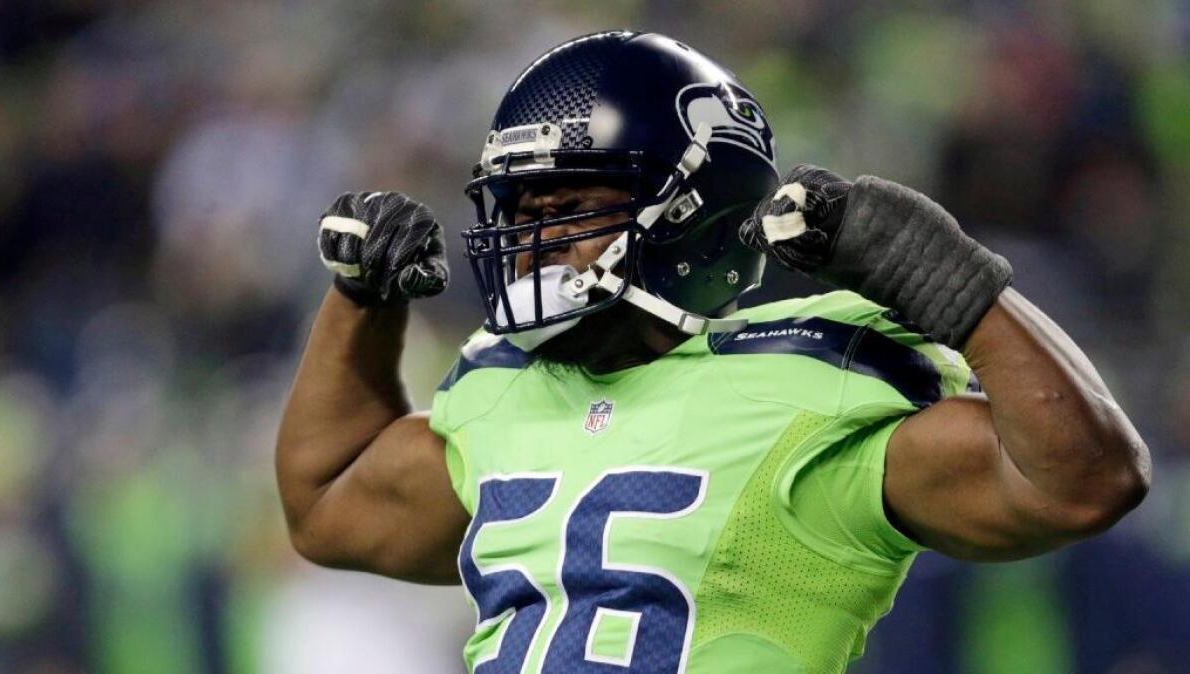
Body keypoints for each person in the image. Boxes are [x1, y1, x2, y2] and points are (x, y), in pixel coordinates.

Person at [276, 31, 1150, 673]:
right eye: (524, 212)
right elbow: (323, 507)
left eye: (571, 206)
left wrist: (948, 280)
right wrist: (362, 304)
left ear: (691, 211)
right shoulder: (502, 387)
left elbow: (1084, 481)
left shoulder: (809, 378)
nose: (537, 240)